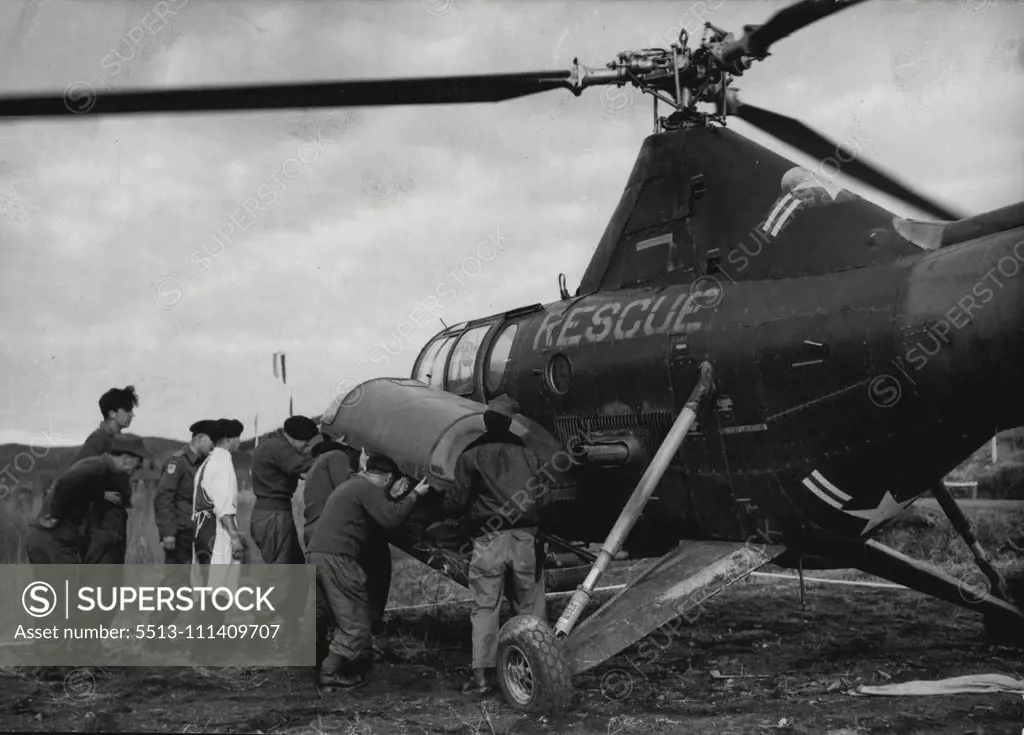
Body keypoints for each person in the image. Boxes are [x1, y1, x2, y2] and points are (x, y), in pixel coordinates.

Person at [442, 394, 550, 695]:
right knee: (530, 605)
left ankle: (482, 677)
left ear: (485, 423)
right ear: (510, 423)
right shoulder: (529, 454)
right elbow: (545, 496)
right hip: (526, 537)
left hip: (488, 539)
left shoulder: (470, 455)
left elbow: (456, 501)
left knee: (485, 605)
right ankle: (535, 671)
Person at [307, 454, 430, 690]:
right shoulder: (366, 487)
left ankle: (321, 663)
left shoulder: (353, 485)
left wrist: (391, 497)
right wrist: (415, 495)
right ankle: (329, 673)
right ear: (387, 477)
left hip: (319, 554)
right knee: (357, 622)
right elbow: (391, 518)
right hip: (337, 557)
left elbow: (376, 513)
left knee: (333, 614)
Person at [303, 436, 391, 637]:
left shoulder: (316, 467)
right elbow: (352, 488)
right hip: (335, 535)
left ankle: (320, 642)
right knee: (375, 568)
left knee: (324, 594)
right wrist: (364, 471)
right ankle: (367, 628)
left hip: (315, 536)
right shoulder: (336, 456)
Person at [26, 434, 146, 564]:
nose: (138, 467)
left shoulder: (103, 470)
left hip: (56, 540)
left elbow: (82, 487)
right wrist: (55, 515)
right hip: (52, 539)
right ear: (126, 459)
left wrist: (101, 494)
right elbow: (66, 481)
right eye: (138, 463)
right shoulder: (97, 465)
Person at [68, 385, 140, 564]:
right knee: (100, 578)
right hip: (101, 521)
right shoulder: (99, 439)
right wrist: (100, 494)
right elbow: (74, 475)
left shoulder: (115, 441)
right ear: (112, 413)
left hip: (112, 520)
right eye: (128, 410)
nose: (132, 415)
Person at [249, 415, 318, 565]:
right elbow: (304, 467)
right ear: (295, 438)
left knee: (295, 565)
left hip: (270, 513)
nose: (305, 448)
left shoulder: (272, 441)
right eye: (305, 443)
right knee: (282, 573)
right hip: (274, 516)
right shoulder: (279, 447)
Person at [154, 420, 216, 564]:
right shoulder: (177, 461)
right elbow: (164, 496)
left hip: (201, 533)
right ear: (200, 438)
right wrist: (167, 532)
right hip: (181, 533)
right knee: (177, 580)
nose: (213, 446)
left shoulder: (205, 463)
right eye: (212, 441)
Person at [193, 419, 246, 567]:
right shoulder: (223, 462)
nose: (239, 442)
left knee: (206, 581)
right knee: (219, 584)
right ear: (228, 439)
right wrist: (235, 538)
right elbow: (224, 508)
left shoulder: (208, 461)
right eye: (238, 437)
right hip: (217, 531)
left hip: (202, 529)